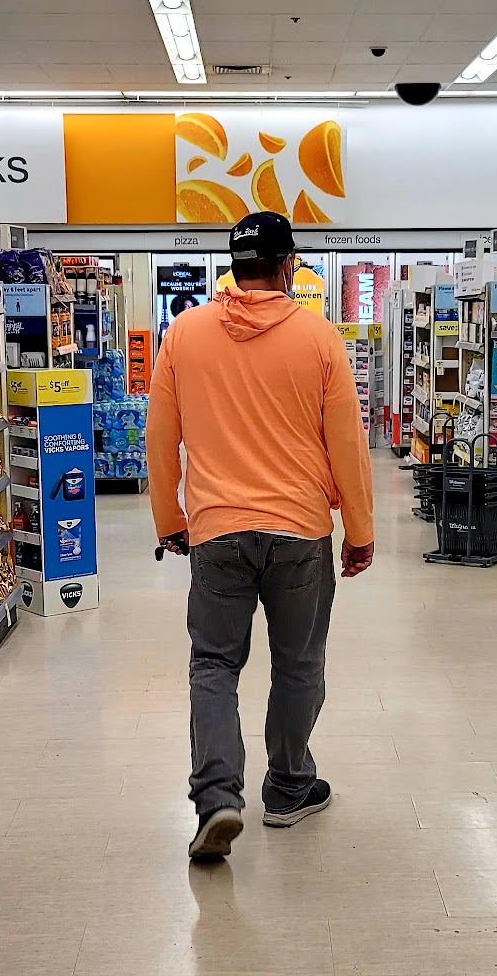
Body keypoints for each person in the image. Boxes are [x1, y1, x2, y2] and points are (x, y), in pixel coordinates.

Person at [147, 211, 375, 862]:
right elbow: (347, 442)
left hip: (217, 530)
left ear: (233, 265)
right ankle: (289, 787)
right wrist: (359, 530)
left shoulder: (184, 334)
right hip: (300, 530)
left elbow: (160, 437)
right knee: (299, 661)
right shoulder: (319, 338)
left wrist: (170, 521)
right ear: (287, 265)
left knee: (214, 664)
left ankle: (218, 797)